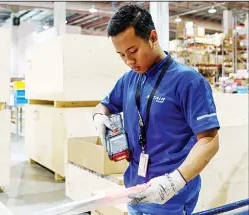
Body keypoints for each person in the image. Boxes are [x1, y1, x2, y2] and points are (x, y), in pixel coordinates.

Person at [92, 4, 220, 215]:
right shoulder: (129, 79)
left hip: (170, 197)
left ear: (152, 37)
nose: (129, 61)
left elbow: (210, 141)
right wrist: (99, 116)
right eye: (121, 55)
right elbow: (105, 104)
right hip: (134, 190)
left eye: (133, 51)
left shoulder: (187, 81)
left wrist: (174, 181)